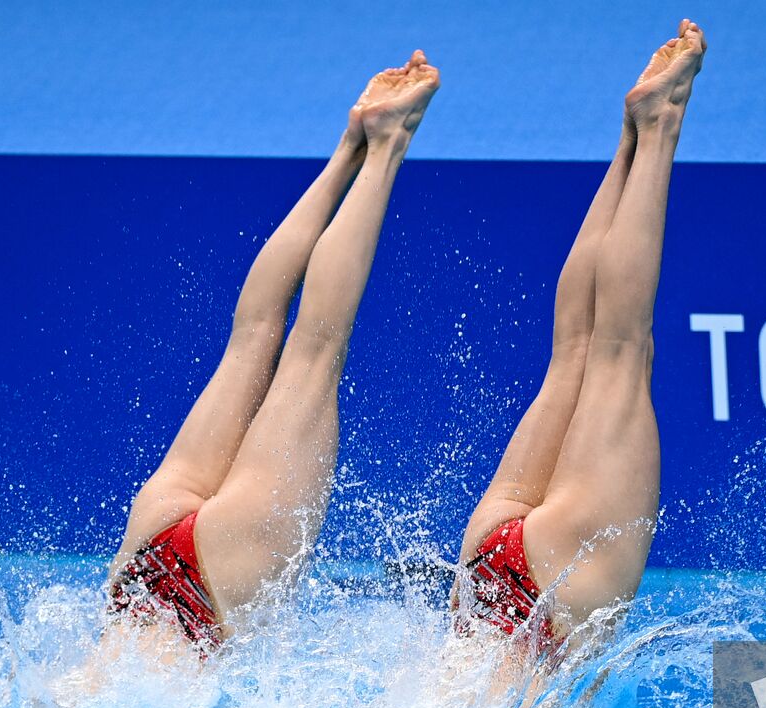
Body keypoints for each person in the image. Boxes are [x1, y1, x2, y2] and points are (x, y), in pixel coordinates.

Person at [103, 51, 441, 656]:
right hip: (137, 564)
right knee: (253, 334)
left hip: (211, 600)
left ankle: (386, 146)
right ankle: (351, 145)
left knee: (316, 351)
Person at [455, 20, 706, 650]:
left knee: (619, 354)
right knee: (572, 355)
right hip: (479, 573)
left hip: (549, 603)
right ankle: (630, 140)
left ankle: (658, 133)